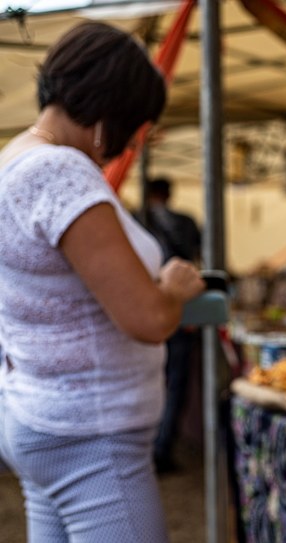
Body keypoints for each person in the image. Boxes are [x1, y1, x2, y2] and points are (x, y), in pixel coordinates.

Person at [0, 22, 204, 542]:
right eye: (136, 126)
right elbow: (147, 318)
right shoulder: (61, 173)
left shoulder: (14, 159)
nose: (131, 143)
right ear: (109, 112)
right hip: (91, 432)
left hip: (42, 413)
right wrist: (175, 289)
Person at [142, 177, 202, 473]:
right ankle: (162, 447)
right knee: (173, 384)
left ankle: (154, 447)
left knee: (155, 381)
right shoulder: (185, 222)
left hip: (151, 309)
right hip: (178, 312)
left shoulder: (137, 220)